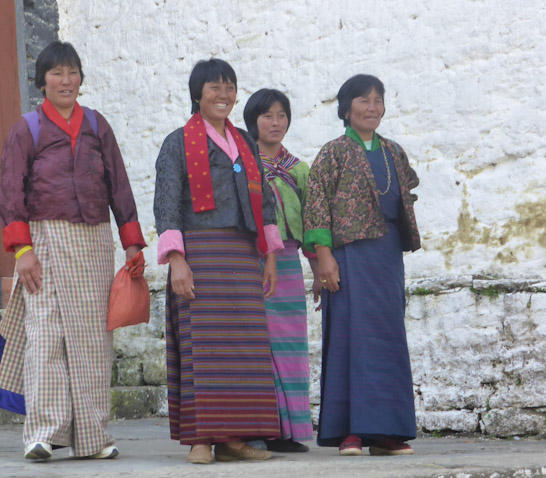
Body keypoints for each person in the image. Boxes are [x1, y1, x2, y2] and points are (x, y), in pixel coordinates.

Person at [0, 41, 146, 461]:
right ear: (41, 81)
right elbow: (10, 192)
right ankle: (42, 433)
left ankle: (93, 437)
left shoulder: (97, 125)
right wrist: (22, 251)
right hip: (43, 241)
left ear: (81, 78)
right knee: (45, 335)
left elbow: (119, 186)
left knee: (95, 339)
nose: (66, 81)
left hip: (94, 241)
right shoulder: (27, 128)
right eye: (56, 73)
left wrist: (132, 244)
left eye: (72, 72)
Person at [154, 59, 284, 465]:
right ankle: (201, 440)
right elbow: (167, 204)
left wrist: (269, 255)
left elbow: (264, 199)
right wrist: (177, 261)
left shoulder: (244, 141)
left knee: (243, 350)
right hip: (201, 254)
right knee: (203, 349)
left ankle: (233, 439)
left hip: (243, 255)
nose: (223, 95)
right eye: (215, 87)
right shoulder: (178, 143)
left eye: (229, 87)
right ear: (198, 94)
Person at [303, 74, 420, 456]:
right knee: (350, 339)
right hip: (348, 257)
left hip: (386, 256)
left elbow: (407, 188)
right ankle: (350, 430)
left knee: (387, 340)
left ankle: (386, 431)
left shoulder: (393, 151)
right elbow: (316, 206)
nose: (372, 107)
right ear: (346, 108)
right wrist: (324, 258)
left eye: (377, 100)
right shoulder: (333, 152)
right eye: (363, 100)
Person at [242, 89, 316, 453]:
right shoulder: (240, 164)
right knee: (257, 342)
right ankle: (259, 427)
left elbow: (313, 223)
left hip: (287, 264)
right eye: (267, 116)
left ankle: (288, 431)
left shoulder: (299, 170)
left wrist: (318, 269)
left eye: (281, 115)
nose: (275, 122)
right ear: (252, 121)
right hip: (248, 260)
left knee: (289, 346)